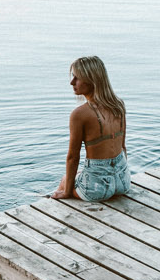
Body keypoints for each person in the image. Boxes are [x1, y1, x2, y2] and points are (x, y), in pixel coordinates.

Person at [48, 55, 130, 202]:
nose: (72, 82)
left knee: (65, 179)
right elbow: (123, 147)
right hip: (123, 183)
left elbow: (73, 157)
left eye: (77, 77)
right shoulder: (119, 105)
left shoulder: (79, 114)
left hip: (96, 190)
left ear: (92, 80)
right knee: (79, 174)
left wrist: (67, 192)